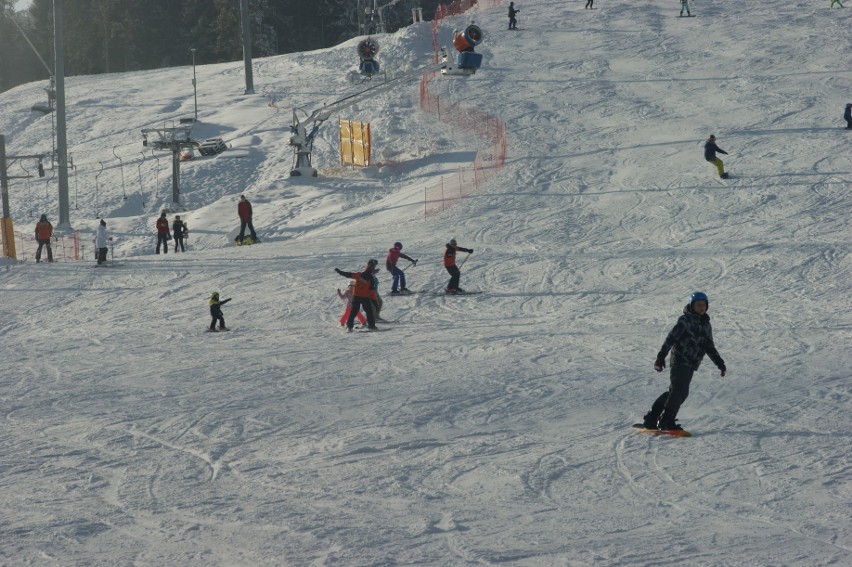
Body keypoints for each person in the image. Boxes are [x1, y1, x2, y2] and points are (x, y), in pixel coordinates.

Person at [640, 292, 727, 431]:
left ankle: (652, 418)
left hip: (691, 364)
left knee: (675, 392)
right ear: (692, 306)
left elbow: (709, 346)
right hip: (680, 359)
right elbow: (671, 338)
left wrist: (720, 363)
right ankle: (666, 420)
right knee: (679, 391)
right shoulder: (685, 320)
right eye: (698, 305)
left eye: (704, 305)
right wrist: (661, 356)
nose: (701, 307)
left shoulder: (706, 325)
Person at [334, 259, 378, 331]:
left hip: (358, 296)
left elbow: (348, 274)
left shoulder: (360, 275)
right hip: (362, 297)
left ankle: (349, 326)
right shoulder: (369, 279)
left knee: (354, 312)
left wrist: (340, 272)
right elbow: (372, 292)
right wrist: (375, 302)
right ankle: (371, 326)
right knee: (367, 311)